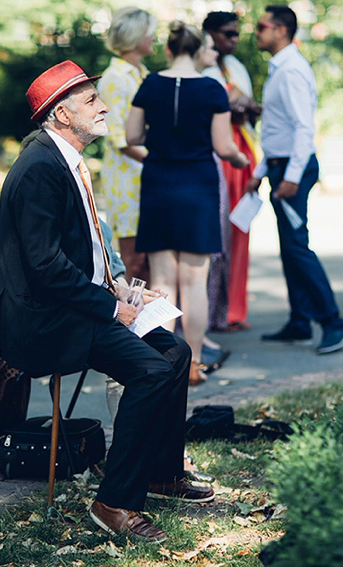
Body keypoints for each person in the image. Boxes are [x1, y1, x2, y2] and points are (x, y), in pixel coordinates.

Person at [0, 60, 214, 544]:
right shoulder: (40, 168)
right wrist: (112, 308)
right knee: (149, 372)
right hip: (46, 321)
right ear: (62, 115)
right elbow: (44, 267)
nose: (104, 106)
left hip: (75, 305)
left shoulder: (62, 158)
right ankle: (114, 504)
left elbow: (78, 256)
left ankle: (161, 474)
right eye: (90, 100)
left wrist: (122, 289)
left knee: (176, 352)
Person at [126, 22, 248, 385]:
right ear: (198, 52)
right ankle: (194, 363)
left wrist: (161, 137)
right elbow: (224, 147)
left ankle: (167, 362)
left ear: (167, 49)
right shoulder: (212, 88)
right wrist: (241, 161)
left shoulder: (149, 84)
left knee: (163, 280)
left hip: (160, 182)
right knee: (195, 281)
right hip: (197, 184)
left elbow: (132, 135)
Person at [246, 5, 343, 354]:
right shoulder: (280, 67)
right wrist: (261, 173)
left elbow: (305, 129)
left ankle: (333, 323)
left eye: (261, 26)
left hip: (294, 169)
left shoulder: (290, 70)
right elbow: (279, 130)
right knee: (290, 249)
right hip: (280, 165)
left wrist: (289, 177)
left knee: (297, 248)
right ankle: (300, 322)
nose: (255, 32)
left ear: (280, 30)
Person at [202, 11, 261, 332]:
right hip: (217, 152)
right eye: (227, 33)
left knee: (240, 231)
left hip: (242, 151)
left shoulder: (236, 67)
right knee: (215, 234)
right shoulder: (203, 68)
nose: (234, 39)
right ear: (210, 34)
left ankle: (234, 310)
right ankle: (211, 311)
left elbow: (247, 109)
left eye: (237, 33)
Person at [98, 6, 154, 283]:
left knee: (152, 260)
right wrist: (158, 162)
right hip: (126, 179)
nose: (154, 37)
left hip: (148, 176)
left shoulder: (142, 74)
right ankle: (132, 325)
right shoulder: (114, 79)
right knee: (133, 260)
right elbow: (117, 137)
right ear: (135, 36)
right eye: (149, 32)